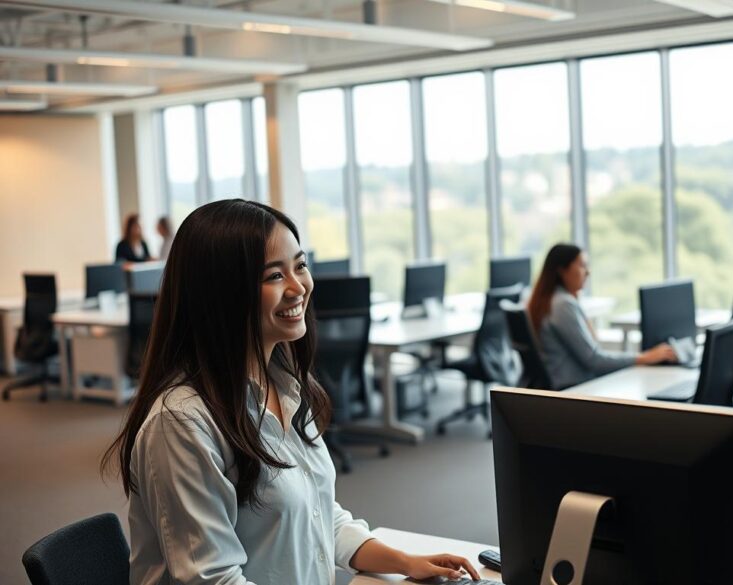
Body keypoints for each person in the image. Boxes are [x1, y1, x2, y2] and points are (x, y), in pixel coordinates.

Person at [103, 200, 480, 585]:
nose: (299, 286)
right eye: (273, 276)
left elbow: (320, 515)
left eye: (300, 266)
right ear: (222, 293)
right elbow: (214, 579)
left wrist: (404, 563)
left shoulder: (285, 385)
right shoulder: (181, 424)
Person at [527, 243, 676, 390]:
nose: (588, 272)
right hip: (575, 388)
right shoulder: (563, 305)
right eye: (582, 265)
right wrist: (645, 357)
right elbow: (594, 361)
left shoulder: (552, 300)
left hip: (570, 385)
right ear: (562, 270)